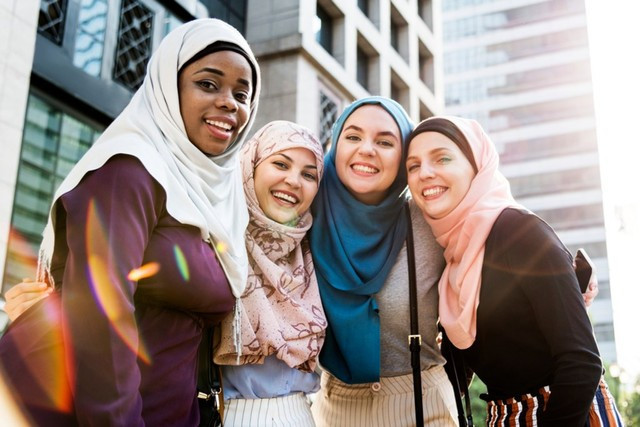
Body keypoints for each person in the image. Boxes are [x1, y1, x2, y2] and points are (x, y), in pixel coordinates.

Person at [0, 18, 261, 425]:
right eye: (208, 84)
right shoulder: (130, 169)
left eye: (242, 93)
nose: (230, 103)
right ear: (167, 88)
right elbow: (102, 316)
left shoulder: (215, 199)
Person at [405, 116, 603, 426]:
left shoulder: (519, 231)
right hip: (504, 418)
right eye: (413, 166)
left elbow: (582, 362)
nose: (424, 173)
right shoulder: (453, 258)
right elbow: (458, 369)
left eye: (442, 158)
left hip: (567, 413)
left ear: (477, 166)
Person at [309, 97, 459, 426]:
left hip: (424, 405)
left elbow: (488, 221)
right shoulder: (306, 213)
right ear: (335, 145)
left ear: (404, 155)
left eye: (385, 142)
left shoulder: (428, 214)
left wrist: (561, 267)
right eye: (352, 136)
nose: (366, 150)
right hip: (335, 410)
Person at [213, 120, 327, 425]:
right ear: (250, 166)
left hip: (302, 415)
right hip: (228, 415)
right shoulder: (215, 239)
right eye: (280, 163)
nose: (293, 181)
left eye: (308, 174)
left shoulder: (312, 253)